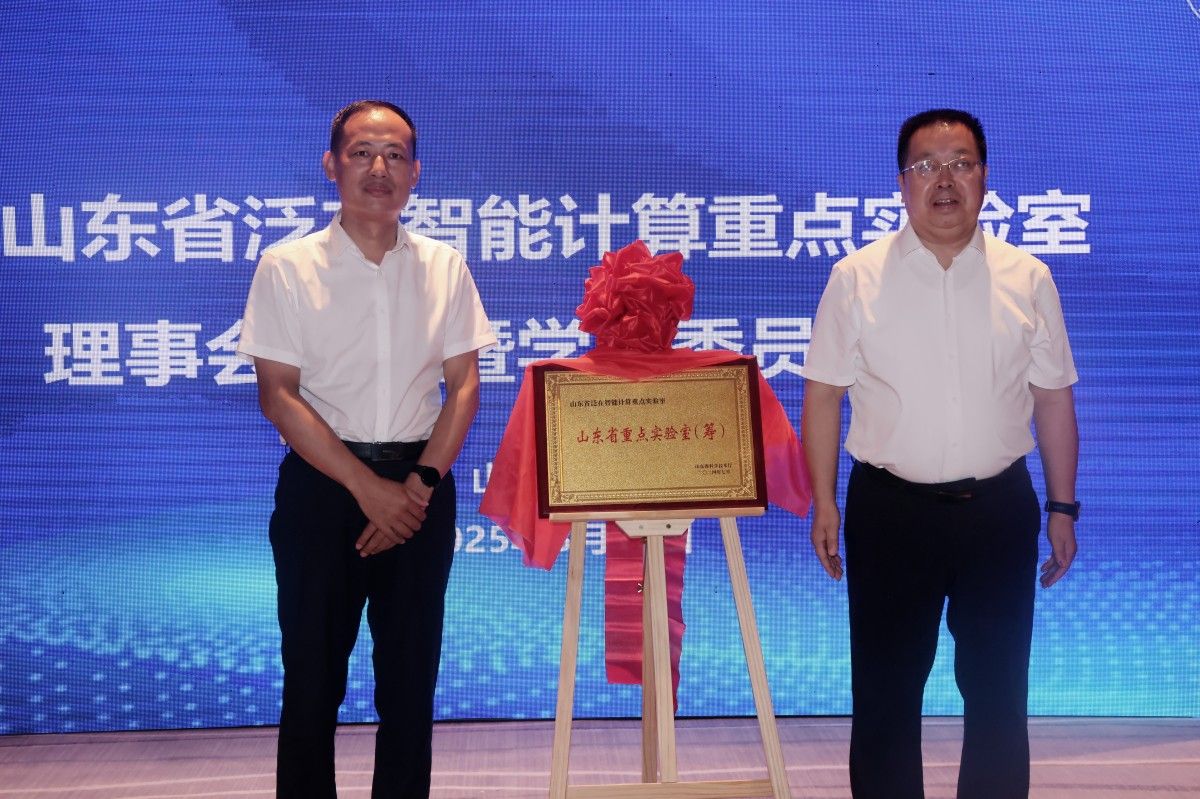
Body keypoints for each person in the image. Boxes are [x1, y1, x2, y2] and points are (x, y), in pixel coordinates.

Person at [800, 109, 1079, 798]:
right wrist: (823, 502)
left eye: (961, 163)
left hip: (998, 511)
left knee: (998, 694)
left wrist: (1063, 507)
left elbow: (1052, 399)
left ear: (985, 178)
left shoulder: (1028, 277)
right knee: (885, 696)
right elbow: (823, 395)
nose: (945, 179)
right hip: (891, 512)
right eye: (927, 165)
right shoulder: (856, 277)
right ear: (902, 183)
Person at [238, 100, 496, 798]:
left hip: (419, 489)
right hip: (322, 489)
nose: (379, 168)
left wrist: (417, 485)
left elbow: (465, 386)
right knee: (312, 680)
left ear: (416, 172)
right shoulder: (287, 266)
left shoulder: (444, 266)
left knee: (410, 685)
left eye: (395, 155)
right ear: (331, 164)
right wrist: (367, 489)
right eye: (361, 153)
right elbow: (278, 396)